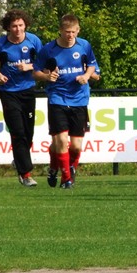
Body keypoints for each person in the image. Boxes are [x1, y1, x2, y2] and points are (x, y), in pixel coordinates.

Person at [33, 14, 98, 190]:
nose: (70, 35)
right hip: (57, 98)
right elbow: (35, 72)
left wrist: (86, 76)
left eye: (73, 32)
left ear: (78, 30)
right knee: (61, 140)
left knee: (75, 147)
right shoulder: (48, 49)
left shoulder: (84, 45)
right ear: (60, 30)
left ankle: (56, 167)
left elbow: (92, 65)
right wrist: (47, 77)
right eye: (67, 31)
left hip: (79, 100)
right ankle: (66, 179)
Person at [0, 8, 43, 187]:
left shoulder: (33, 40)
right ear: (8, 28)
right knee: (18, 132)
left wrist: (29, 67)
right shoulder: (0, 43)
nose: (18, 29)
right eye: (14, 26)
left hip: (28, 91)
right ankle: (25, 174)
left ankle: (18, 160)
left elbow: (43, 62)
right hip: (8, 92)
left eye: (21, 25)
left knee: (28, 133)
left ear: (25, 25)